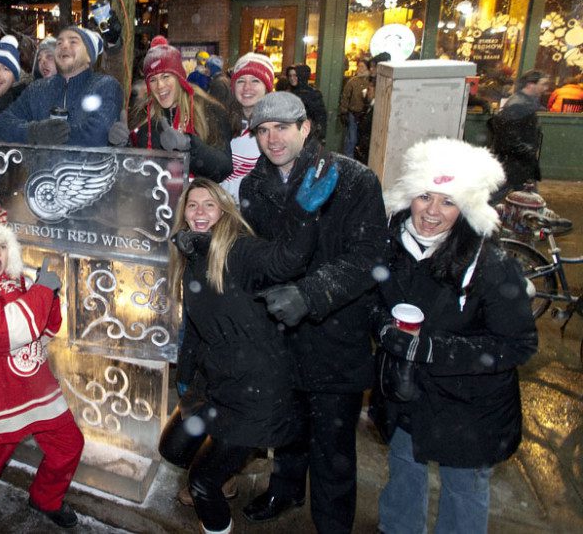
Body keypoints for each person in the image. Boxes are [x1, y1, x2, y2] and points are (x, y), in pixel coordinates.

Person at [238, 92, 388, 533]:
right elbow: (258, 252)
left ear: (306, 128)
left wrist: (311, 293)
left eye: (282, 128)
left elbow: (368, 258)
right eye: (263, 131)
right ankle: (285, 491)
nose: (272, 139)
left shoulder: (354, 180)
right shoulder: (255, 185)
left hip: (334, 333)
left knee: (333, 446)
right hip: (280, 334)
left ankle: (332, 523)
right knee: (287, 427)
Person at [371, 137, 537, 534]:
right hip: (407, 396)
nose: (432, 211)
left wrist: (431, 349)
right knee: (404, 475)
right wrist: (381, 326)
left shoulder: (490, 264)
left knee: (463, 492)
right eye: (424, 196)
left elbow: (519, 343)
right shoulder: (390, 245)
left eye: (447, 201)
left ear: (466, 208)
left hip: (471, 411)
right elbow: (369, 300)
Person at [160, 168, 338, 534]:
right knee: (172, 449)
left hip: (256, 388)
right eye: (193, 205)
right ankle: (225, 477)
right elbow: (195, 328)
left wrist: (304, 216)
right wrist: (186, 375)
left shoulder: (239, 250)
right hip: (215, 379)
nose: (200, 211)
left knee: (200, 484)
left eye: (210, 204)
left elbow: (287, 259)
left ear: (224, 212)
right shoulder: (190, 253)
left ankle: (215, 492)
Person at [0, 206, 84, 529]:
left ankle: (45, 499)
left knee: (69, 446)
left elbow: (47, 331)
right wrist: (41, 292)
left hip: (35, 385)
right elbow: (4, 334)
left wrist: (51, 296)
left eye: (3, 246)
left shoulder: (24, 281)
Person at [109, 41, 231, 182]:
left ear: (179, 77)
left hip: (194, 200)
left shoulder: (208, 109)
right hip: (155, 198)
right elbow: (134, 170)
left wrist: (188, 145)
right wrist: (122, 146)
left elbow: (224, 168)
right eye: (153, 79)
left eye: (166, 76)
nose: (160, 85)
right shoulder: (143, 114)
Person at [0, 25, 122, 147]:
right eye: (59, 43)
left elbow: (96, 135)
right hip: (40, 171)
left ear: (89, 56)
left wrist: (54, 136)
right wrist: (34, 132)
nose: (64, 46)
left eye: (73, 41)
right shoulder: (37, 89)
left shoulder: (106, 86)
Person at [220, 52, 274, 201]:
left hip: (257, 214)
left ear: (267, 88)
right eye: (241, 81)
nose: (247, 87)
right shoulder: (223, 121)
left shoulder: (278, 127)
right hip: (225, 211)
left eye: (255, 81)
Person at [488, 69, 550, 194]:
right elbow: (507, 134)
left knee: (516, 193)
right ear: (530, 84)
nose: (545, 88)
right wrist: (526, 150)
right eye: (543, 84)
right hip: (516, 162)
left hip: (517, 161)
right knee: (526, 196)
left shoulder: (524, 102)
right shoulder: (519, 104)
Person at [339, 57, 371, 158]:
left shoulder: (371, 82)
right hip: (353, 113)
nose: (360, 69)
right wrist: (343, 111)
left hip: (365, 114)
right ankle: (349, 157)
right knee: (351, 139)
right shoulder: (352, 82)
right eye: (359, 66)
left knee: (360, 139)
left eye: (362, 66)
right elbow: (345, 97)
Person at [288, 64, 328, 142]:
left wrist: (320, 135)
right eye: (290, 76)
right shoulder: (289, 92)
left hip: (306, 134)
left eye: (295, 76)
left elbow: (320, 116)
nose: (292, 79)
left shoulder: (312, 94)